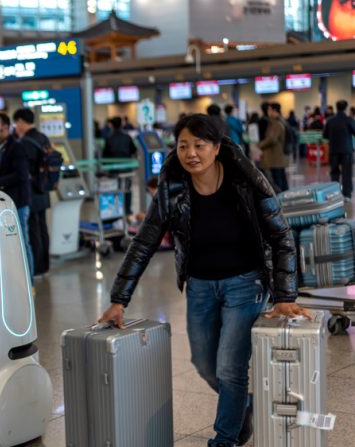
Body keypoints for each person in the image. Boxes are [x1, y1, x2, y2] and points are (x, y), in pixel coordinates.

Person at [100, 113, 310, 447]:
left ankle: (224, 438)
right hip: (200, 285)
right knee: (204, 364)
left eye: (199, 145)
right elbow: (145, 242)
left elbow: (282, 236)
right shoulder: (172, 187)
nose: (191, 153)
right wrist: (118, 299)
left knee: (230, 366)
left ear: (216, 147)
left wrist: (285, 295)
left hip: (246, 282)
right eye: (183, 145)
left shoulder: (246, 180)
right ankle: (243, 408)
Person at [0, 111, 34, 280]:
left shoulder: (17, 147)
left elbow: (21, 175)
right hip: (6, 202)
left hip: (18, 202)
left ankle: (30, 282)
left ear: (5, 127)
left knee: (23, 242)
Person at [13, 108, 50, 276]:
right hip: (44, 189)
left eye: (16, 123)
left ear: (21, 121)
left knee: (33, 230)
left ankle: (37, 268)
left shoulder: (25, 142)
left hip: (32, 192)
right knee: (42, 228)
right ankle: (45, 265)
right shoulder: (43, 138)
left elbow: (24, 170)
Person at [103, 116, 138, 214]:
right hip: (127, 167)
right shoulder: (127, 137)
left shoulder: (109, 138)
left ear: (111, 125)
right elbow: (133, 150)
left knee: (116, 189)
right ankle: (127, 210)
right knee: (127, 188)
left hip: (114, 168)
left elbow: (105, 155)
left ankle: (117, 209)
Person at [323, 100, 355, 199]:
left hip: (334, 150)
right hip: (347, 150)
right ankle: (347, 194)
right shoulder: (349, 120)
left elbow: (325, 135)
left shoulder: (330, 120)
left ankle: (335, 193)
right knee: (347, 172)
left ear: (336, 108)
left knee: (334, 172)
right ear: (345, 108)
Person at [259, 103, 289, 192]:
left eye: (269, 110)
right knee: (281, 178)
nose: (268, 112)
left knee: (278, 180)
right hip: (279, 157)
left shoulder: (276, 123)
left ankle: (281, 200)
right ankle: (285, 197)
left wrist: (260, 145)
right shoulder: (280, 121)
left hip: (275, 157)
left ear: (274, 111)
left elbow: (272, 139)